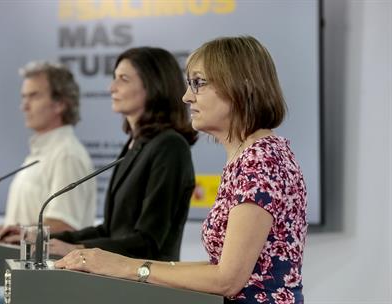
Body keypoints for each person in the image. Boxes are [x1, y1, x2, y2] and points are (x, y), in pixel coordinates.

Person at [55, 36, 308, 304]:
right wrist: (123, 264)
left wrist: (129, 268)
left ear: (241, 86)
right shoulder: (249, 157)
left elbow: (228, 280)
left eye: (198, 83)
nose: (187, 97)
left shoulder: (261, 160)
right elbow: (220, 268)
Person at [49, 47, 198, 261]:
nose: (112, 87)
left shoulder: (170, 147)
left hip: (150, 287)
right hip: (120, 281)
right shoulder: (136, 144)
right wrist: (46, 238)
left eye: (123, 79)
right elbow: (109, 232)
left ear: (154, 85)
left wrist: (75, 249)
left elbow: (147, 242)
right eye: (114, 78)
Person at [0, 61, 97, 240]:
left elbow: (64, 226)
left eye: (34, 96)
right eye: (24, 97)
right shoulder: (42, 151)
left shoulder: (66, 155)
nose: (24, 106)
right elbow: (26, 222)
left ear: (60, 104)